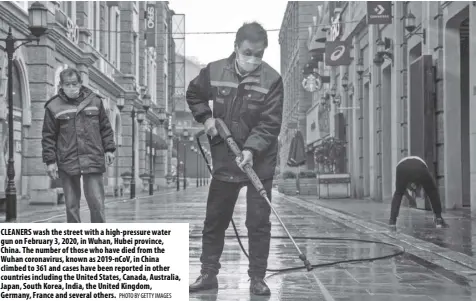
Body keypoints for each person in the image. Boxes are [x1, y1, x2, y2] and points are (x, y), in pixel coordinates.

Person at [186, 22, 284, 296]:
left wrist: (251, 150)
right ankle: (208, 274)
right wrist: (206, 118)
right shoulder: (214, 71)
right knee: (215, 218)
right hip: (225, 158)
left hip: (259, 162)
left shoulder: (272, 80)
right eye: (248, 52)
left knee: (258, 221)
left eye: (259, 54)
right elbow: (194, 94)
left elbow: (270, 123)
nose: (253, 58)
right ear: (236, 48)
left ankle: (257, 278)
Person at [41, 68, 116, 223]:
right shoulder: (53, 106)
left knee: (97, 204)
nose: (71, 87)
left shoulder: (95, 101)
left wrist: (109, 149)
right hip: (67, 159)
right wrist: (50, 161)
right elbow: (48, 136)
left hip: (92, 157)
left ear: (80, 83)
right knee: (71, 206)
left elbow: (105, 128)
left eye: (74, 83)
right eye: (67, 84)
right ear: (61, 85)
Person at [389, 155, 448, 228]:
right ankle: (439, 219)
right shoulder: (421, 177)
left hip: (402, 167)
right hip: (420, 166)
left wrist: (410, 198)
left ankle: (392, 221)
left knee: (398, 193)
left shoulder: (406, 181)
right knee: (432, 191)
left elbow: (401, 190)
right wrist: (410, 198)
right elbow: (430, 191)